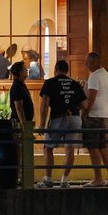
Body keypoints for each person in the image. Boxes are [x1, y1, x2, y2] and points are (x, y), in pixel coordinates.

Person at [37, 58, 85, 188]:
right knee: (70, 148)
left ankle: (48, 179)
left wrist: (42, 124)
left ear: (56, 69)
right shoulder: (75, 84)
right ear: (67, 71)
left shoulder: (50, 83)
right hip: (75, 118)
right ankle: (64, 180)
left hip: (59, 117)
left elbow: (45, 105)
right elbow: (83, 104)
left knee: (48, 147)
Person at [84, 52, 108, 187]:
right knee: (103, 146)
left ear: (95, 62)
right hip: (104, 114)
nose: (86, 64)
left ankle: (98, 178)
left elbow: (91, 98)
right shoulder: (106, 74)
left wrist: (85, 112)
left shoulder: (94, 76)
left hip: (94, 115)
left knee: (93, 147)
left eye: (88, 62)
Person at [8, 61, 34, 125]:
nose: (27, 70)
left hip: (26, 121)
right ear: (21, 73)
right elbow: (19, 107)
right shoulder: (16, 87)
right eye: (25, 69)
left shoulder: (21, 85)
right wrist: (23, 124)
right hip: (19, 123)